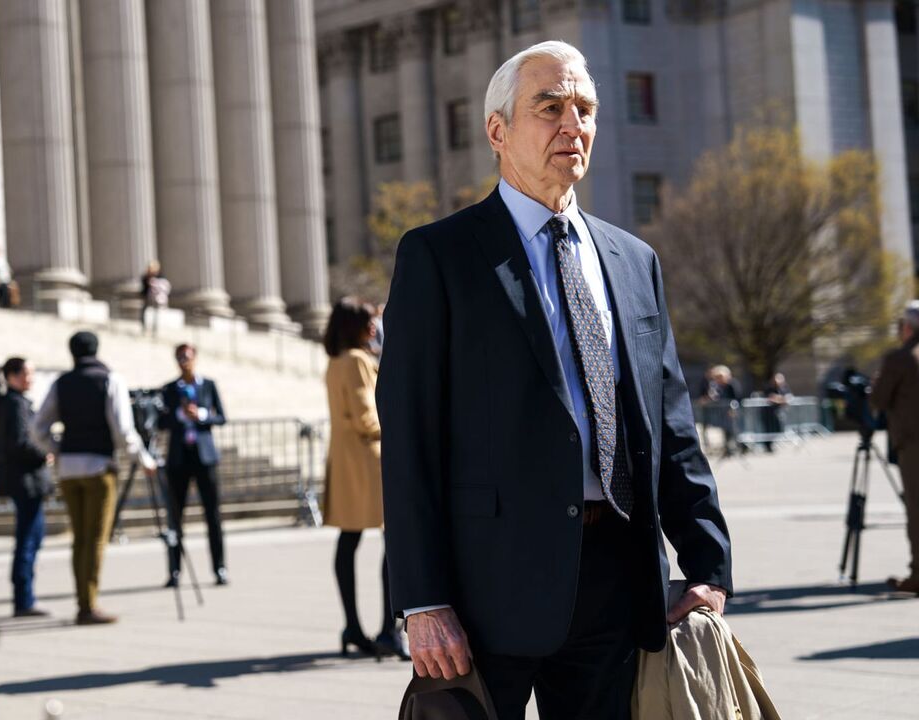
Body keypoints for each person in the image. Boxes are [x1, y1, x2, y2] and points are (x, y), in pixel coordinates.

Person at [377, 41, 732, 719]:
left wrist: (708, 564)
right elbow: (410, 439)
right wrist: (422, 600)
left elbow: (670, 425)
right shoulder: (438, 256)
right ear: (498, 130)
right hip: (484, 592)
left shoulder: (634, 259)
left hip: (616, 581)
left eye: (585, 109)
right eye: (550, 107)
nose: (573, 124)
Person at [33, 332, 156, 624]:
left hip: (68, 468)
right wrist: (143, 459)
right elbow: (122, 429)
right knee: (96, 539)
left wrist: (58, 450)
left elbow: (38, 429)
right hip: (99, 466)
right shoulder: (110, 380)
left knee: (79, 539)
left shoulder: (62, 383)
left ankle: (83, 600)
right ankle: (87, 605)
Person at [323, 297, 407, 661]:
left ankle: (353, 627)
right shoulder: (358, 360)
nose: (374, 326)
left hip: (346, 460)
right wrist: (403, 428)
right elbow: (366, 417)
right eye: (368, 320)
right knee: (396, 543)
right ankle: (389, 629)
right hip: (370, 460)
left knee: (349, 540)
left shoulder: (336, 360)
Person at [157, 343, 229, 587]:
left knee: (213, 515)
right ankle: (174, 571)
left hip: (204, 457)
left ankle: (219, 567)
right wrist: (178, 416)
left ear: (195, 358)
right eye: (179, 358)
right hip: (179, 458)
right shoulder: (169, 389)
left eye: (187, 357)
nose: (183, 362)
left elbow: (222, 417)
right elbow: (161, 422)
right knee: (175, 518)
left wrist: (202, 415)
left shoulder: (208, 385)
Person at [0, 357, 53, 618]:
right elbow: (19, 443)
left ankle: (25, 596)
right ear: (12, 376)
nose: (31, 378)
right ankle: (24, 598)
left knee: (32, 537)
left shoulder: (14, 403)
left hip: (24, 479)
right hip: (24, 480)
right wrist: (44, 454)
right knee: (28, 539)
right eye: (26, 373)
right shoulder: (14, 404)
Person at [871, 300, 919, 594]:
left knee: (916, 508)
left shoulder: (900, 358)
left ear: (908, 328)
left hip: (913, 444)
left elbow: (878, 399)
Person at [759, 372, 792, 452]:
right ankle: (768, 446)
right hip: (767, 413)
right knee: (768, 430)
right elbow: (771, 398)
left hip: (777, 414)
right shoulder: (769, 388)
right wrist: (781, 399)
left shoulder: (784, 388)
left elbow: (788, 397)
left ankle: (772, 444)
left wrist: (780, 399)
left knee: (778, 429)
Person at [140, 261, 171, 336]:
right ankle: (145, 328)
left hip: (157, 299)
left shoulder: (160, 277)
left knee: (155, 314)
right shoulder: (145, 277)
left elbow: (165, 287)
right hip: (147, 298)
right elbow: (144, 288)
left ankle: (154, 330)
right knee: (145, 313)